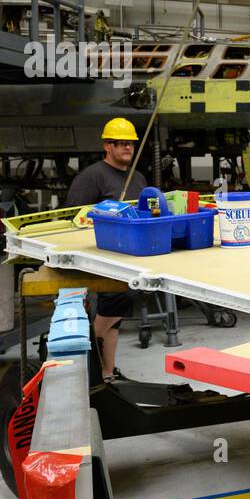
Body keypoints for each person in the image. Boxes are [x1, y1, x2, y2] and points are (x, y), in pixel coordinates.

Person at [64, 117, 147, 378]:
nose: (127, 148)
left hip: (131, 253)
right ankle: (91, 365)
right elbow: (73, 218)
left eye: (130, 144)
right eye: (121, 143)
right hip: (103, 256)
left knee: (116, 316)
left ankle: (107, 371)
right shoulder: (92, 177)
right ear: (107, 146)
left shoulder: (138, 178)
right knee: (115, 302)